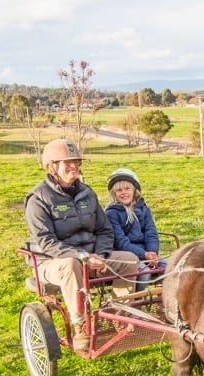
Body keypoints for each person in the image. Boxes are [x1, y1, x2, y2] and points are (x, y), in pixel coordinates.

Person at [24, 139, 139, 351]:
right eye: (67, 163)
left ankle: (117, 314)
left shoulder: (87, 193)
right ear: (51, 166)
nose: (74, 167)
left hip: (91, 257)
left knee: (130, 261)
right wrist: (83, 256)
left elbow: (105, 229)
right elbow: (46, 242)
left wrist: (102, 255)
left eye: (76, 162)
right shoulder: (38, 199)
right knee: (70, 264)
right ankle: (80, 325)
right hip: (52, 263)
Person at [104, 168, 163, 290]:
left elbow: (151, 233)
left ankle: (163, 301)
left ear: (135, 190)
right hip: (128, 255)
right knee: (144, 272)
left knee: (170, 267)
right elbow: (120, 242)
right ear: (114, 194)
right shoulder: (112, 214)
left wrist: (153, 253)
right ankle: (137, 301)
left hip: (147, 254)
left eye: (127, 189)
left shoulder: (143, 209)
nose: (124, 192)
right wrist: (144, 254)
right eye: (119, 190)